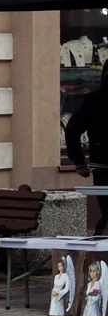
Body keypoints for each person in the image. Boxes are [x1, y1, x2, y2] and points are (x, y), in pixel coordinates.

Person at [64, 67, 108, 233]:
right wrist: (79, 162)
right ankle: (98, 247)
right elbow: (73, 129)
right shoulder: (95, 100)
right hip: (103, 166)